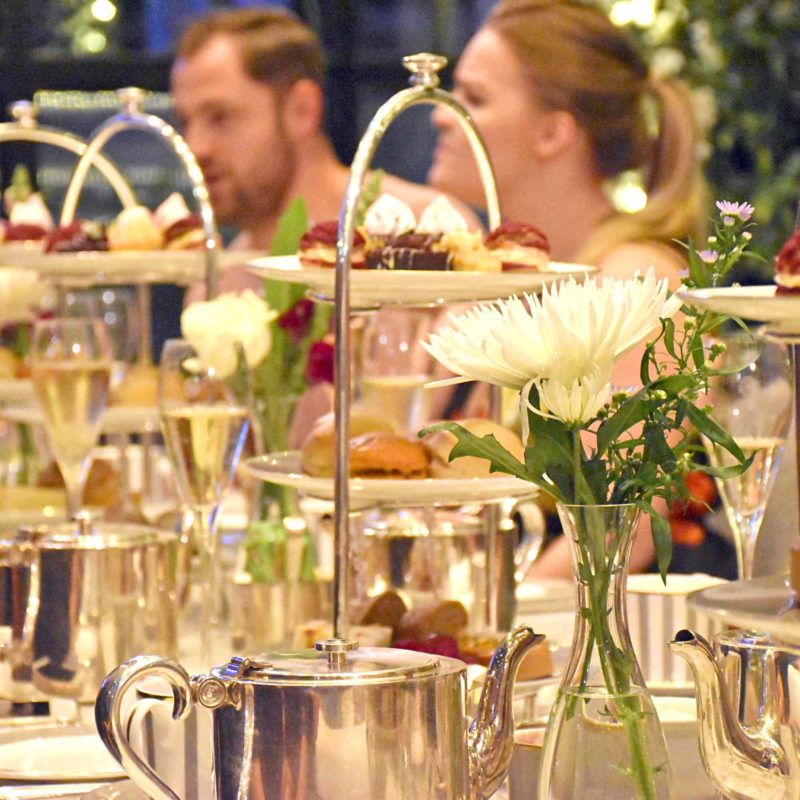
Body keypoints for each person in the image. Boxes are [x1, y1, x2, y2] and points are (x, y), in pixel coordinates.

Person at [427, 0, 711, 578]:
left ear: (553, 132)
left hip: (614, 624)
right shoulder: (487, 281)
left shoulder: (633, 280)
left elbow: (621, 529)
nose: (441, 116)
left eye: (474, 98)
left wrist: (492, 620)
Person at [172, 6, 474, 296]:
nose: (195, 148)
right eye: (185, 122)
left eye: (220, 117)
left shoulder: (430, 238)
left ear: (301, 110)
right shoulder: (217, 285)